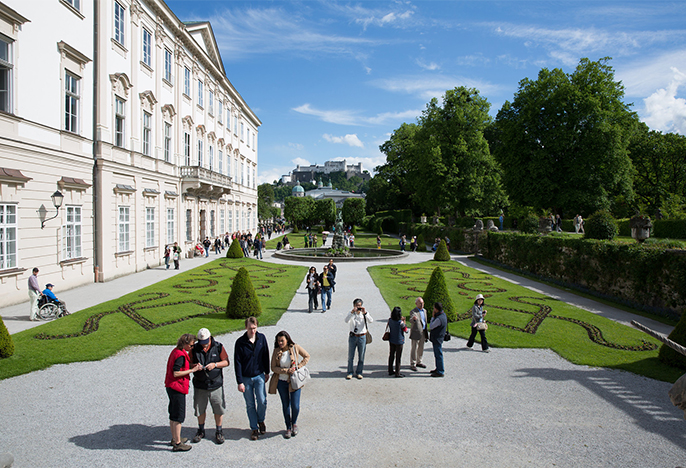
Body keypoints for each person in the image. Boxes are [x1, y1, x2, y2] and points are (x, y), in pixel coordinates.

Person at [189, 328, 230, 445]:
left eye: (205, 342)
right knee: (199, 408)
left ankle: (219, 430)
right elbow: (188, 364)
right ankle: (201, 430)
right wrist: (195, 366)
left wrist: (215, 364)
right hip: (200, 384)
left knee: (218, 408)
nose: (203, 345)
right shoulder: (195, 349)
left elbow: (226, 362)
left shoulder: (218, 347)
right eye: (201, 342)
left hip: (215, 383)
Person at [268, 331, 310, 439]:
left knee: (295, 406)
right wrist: (286, 370)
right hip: (281, 382)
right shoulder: (276, 351)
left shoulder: (295, 347)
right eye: (279, 341)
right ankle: (288, 427)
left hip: (294, 381)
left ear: (287, 340)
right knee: (285, 405)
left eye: (282, 340)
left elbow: (307, 356)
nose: (280, 343)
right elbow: (273, 367)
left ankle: (294, 423)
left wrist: (298, 366)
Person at [234, 316, 270, 441]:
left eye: (254, 328)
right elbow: (237, 363)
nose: (252, 331)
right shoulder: (240, 342)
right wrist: (240, 382)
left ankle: (261, 420)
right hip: (246, 377)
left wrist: (267, 372)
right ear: (246, 327)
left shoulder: (262, 338)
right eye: (250, 328)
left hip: (259, 375)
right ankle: (254, 428)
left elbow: (266, 355)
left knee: (262, 401)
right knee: (250, 404)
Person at [165, 333, 203, 452]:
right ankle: (177, 443)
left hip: (171, 386)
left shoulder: (176, 351)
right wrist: (192, 370)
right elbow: (176, 373)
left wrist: (191, 365)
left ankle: (175, 438)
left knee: (173, 414)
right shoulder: (180, 356)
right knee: (178, 416)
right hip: (177, 388)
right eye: (191, 345)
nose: (192, 347)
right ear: (185, 344)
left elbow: (181, 367)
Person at [344, 298, 373, 379]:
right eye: (357, 306)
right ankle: (350, 372)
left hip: (362, 337)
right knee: (350, 356)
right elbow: (346, 320)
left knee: (361, 356)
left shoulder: (364, 314)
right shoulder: (352, 314)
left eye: (359, 305)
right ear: (354, 306)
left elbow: (371, 320)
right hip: (353, 336)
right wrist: (352, 312)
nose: (358, 307)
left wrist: (365, 313)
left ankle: (359, 372)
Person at [387, 306, 408, 377]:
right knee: (398, 357)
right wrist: (404, 322)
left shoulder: (390, 320)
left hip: (392, 339)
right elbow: (406, 330)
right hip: (399, 341)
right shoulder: (400, 322)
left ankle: (390, 370)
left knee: (391, 355)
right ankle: (397, 372)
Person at [408, 297, 427, 371]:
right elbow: (411, 319)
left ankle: (419, 361)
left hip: (423, 332)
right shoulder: (413, 311)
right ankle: (413, 363)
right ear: (416, 304)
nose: (422, 304)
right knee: (414, 348)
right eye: (420, 303)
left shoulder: (425, 311)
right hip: (416, 332)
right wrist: (413, 319)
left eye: (422, 303)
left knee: (421, 347)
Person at [429, 302, 448, 377]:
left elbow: (431, 326)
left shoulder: (438, 319)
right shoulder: (443, 315)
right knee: (437, 354)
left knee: (438, 354)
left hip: (437, 338)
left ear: (436, 309)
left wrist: (433, 317)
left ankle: (440, 371)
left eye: (434, 308)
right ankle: (438, 368)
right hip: (439, 337)